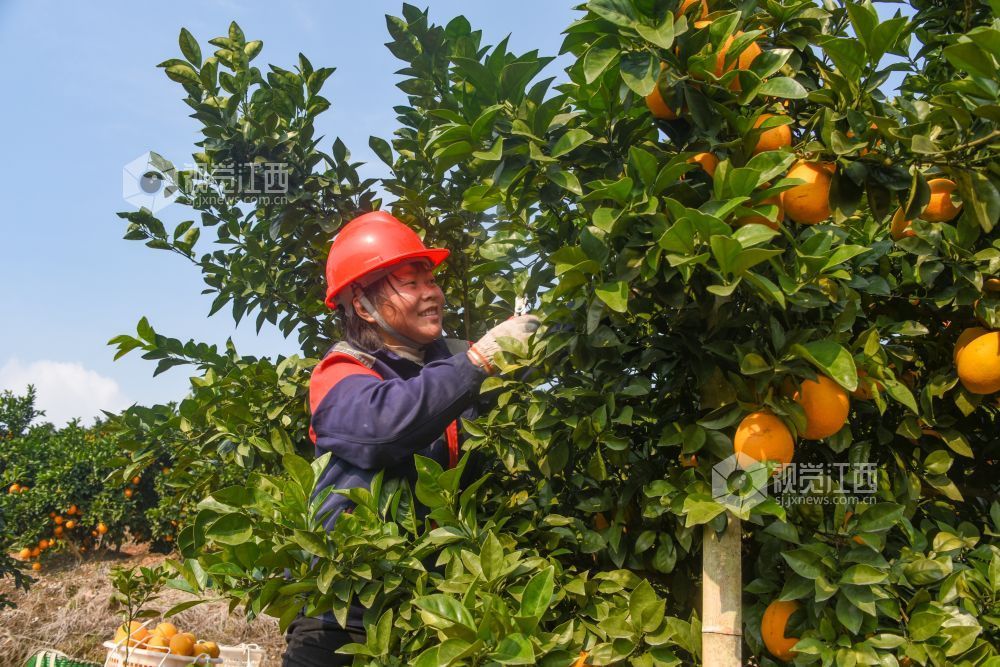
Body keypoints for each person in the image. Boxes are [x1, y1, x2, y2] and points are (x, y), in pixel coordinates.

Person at [282, 210, 540, 666]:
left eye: (431, 281)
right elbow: (383, 428)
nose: (431, 294)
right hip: (344, 613)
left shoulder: (451, 364)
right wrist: (480, 360)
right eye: (411, 282)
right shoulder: (340, 372)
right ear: (362, 305)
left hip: (432, 607)